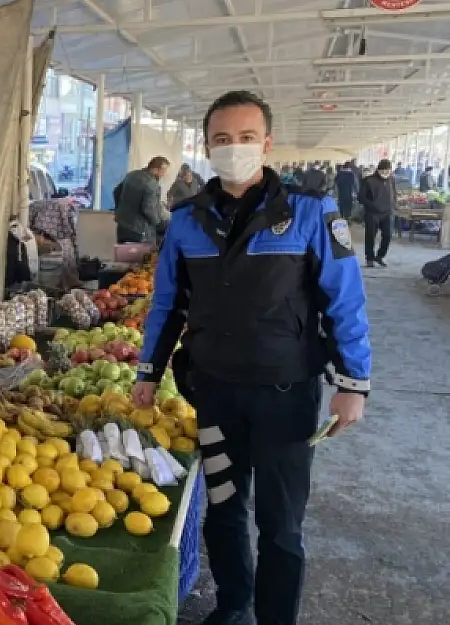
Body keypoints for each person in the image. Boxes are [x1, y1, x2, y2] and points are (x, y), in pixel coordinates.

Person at [132, 91, 371, 625]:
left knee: (281, 524)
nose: (232, 148)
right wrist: (148, 371)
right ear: (208, 146)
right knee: (224, 507)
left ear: (265, 144)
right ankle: (234, 605)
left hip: (286, 395)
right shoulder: (187, 221)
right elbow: (168, 304)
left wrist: (354, 383)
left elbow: (344, 300)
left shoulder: (309, 212)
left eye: (244, 138)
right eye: (221, 139)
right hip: (214, 392)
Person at [113, 156, 169, 243]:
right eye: (164, 171)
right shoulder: (152, 184)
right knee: (137, 256)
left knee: (122, 254)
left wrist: (119, 210)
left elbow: (116, 192)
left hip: (122, 226)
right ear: (155, 169)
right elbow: (148, 209)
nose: (164, 174)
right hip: (139, 230)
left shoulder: (131, 175)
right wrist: (159, 224)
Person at [357, 159, 398, 268]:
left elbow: (394, 194)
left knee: (388, 235)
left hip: (388, 213)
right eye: (383, 171)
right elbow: (361, 197)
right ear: (378, 170)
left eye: (388, 171)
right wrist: (372, 205)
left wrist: (394, 205)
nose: (386, 174)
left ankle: (380, 256)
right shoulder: (368, 181)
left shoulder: (392, 180)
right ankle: (369, 258)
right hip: (372, 214)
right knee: (370, 236)